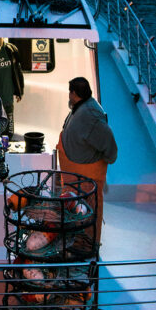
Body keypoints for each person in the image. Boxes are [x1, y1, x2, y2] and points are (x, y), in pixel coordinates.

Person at [57, 76, 117, 242]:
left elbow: (108, 141)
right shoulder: (81, 106)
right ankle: (75, 240)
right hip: (74, 177)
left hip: (85, 178)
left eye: (70, 92)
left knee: (87, 211)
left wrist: (109, 157)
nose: (69, 96)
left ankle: (88, 244)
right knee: (74, 210)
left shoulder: (91, 115)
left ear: (75, 93)